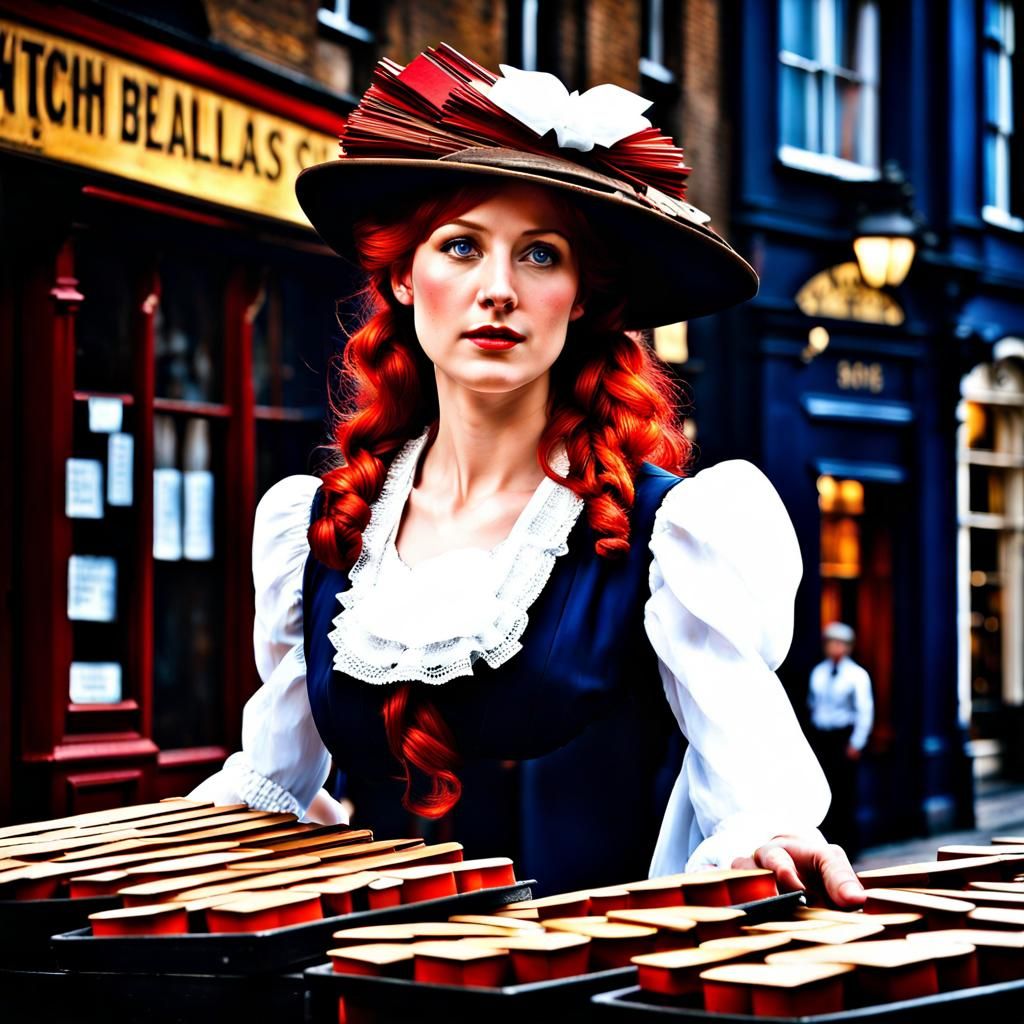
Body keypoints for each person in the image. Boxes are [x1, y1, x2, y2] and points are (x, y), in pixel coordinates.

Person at [192, 45, 864, 906]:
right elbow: (275, 781)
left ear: (581, 295)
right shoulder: (321, 528)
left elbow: (753, 782)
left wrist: (770, 841)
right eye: (461, 245)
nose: (498, 289)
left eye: (540, 255)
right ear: (403, 276)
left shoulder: (676, 532)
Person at [808, 622, 874, 855]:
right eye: (829, 642)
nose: (833, 647)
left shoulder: (856, 675)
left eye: (838, 643)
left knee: (845, 794)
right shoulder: (819, 672)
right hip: (823, 738)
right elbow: (814, 704)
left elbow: (864, 711)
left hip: (843, 739)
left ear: (847, 647)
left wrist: (856, 743)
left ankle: (849, 847)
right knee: (822, 792)